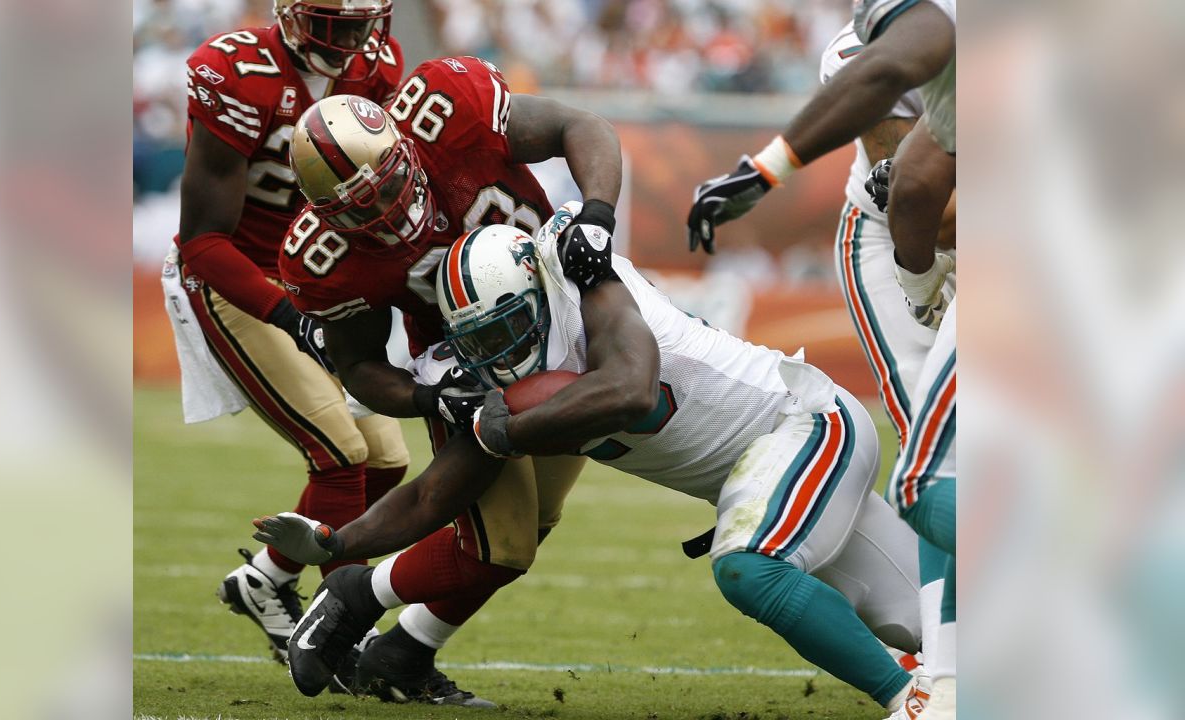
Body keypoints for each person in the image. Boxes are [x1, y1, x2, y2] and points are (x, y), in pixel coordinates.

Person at [261, 211, 932, 719]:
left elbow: (631, 389)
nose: (500, 352)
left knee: (749, 568)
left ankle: (909, 703)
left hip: (805, 425)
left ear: (536, 289)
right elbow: (435, 494)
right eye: (481, 342)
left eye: (505, 329)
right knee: (940, 628)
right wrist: (338, 545)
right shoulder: (509, 379)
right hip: (761, 471)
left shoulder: (595, 294)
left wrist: (511, 427)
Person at [270, 56, 624, 705]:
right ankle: (354, 600)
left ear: (406, 147)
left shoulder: (447, 107)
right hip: (465, 356)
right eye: (359, 205)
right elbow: (361, 368)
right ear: (326, 213)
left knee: (535, 521)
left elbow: (582, 125)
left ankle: (402, 655)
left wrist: (596, 214)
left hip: (556, 315)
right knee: (502, 545)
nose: (385, 206)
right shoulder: (329, 258)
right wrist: (427, 397)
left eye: (387, 182)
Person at [164, 0, 408, 666]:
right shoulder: (238, 73)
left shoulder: (377, 67)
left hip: (314, 278)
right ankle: (341, 634)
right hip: (233, 277)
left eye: (365, 21)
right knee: (340, 454)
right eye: (339, 23)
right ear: (298, 16)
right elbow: (203, 242)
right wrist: (289, 315)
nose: (357, 38)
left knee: (388, 462)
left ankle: (266, 580)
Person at [818, 21, 956, 695]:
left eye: (896, 114)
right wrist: (919, 280)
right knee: (936, 445)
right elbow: (917, 197)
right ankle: (945, 654)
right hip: (888, 244)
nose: (884, 139)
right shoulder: (890, 181)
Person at [684, 0, 955, 256]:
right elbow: (932, 216)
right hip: (900, 243)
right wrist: (764, 171)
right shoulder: (860, 53)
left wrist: (764, 172)